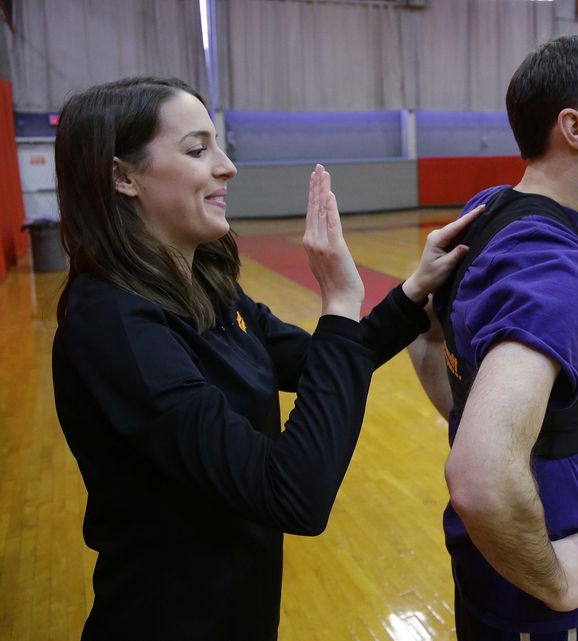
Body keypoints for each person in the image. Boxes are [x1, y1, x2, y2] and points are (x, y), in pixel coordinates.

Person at [51, 76, 481, 641]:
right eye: (198, 149)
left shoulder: (205, 285)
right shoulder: (113, 327)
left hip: (241, 611)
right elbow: (293, 493)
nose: (227, 166)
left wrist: (409, 295)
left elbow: (317, 363)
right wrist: (339, 301)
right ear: (122, 177)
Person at [407, 31, 578, 640]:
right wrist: (554, 581)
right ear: (576, 129)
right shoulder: (554, 270)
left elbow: (425, 342)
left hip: (501, 574)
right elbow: (479, 475)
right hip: (553, 605)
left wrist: (481, 419)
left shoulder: (492, 208)